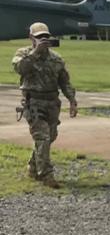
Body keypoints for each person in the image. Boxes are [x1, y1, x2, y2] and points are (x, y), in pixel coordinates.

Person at [11, 22, 77, 188]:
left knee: (51, 136)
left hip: (52, 103)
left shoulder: (56, 58)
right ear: (31, 37)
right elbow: (20, 69)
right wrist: (35, 53)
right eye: (39, 37)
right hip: (33, 102)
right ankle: (46, 175)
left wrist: (72, 100)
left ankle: (33, 167)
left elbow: (65, 81)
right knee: (43, 137)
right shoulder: (23, 54)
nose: (43, 40)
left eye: (46, 37)